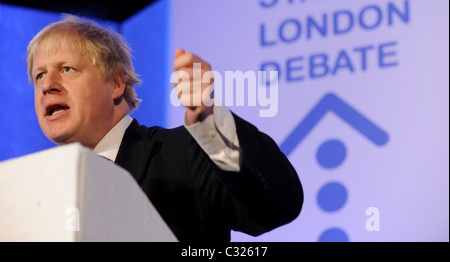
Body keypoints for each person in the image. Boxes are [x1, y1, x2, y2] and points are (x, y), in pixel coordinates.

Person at [27, 14, 303, 242]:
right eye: (39, 75)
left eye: (67, 69)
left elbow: (275, 205)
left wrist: (211, 122)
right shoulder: (36, 199)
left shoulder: (184, 152)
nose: (47, 85)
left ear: (116, 84)